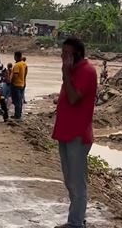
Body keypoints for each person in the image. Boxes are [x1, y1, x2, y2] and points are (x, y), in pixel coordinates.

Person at [52, 37, 97, 228]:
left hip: (77, 135)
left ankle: (76, 223)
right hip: (66, 132)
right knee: (70, 181)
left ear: (76, 54)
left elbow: (73, 98)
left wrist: (65, 74)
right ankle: (77, 219)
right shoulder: (75, 70)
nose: (63, 57)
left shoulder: (86, 71)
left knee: (77, 183)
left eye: (66, 54)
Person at [10, 51, 26, 120]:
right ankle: (18, 114)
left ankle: (17, 115)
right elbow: (25, 73)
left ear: (16, 56)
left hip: (16, 85)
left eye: (14, 56)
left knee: (16, 101)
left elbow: (15, 76)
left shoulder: (17, 65)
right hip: (22, 84)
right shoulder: (23, 64)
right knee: (20, 101)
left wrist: (11, 82)